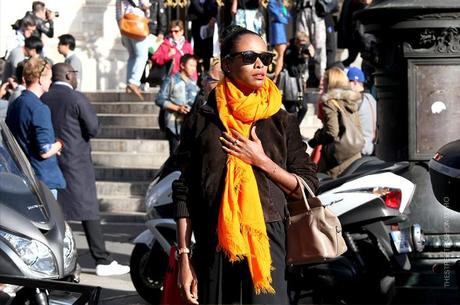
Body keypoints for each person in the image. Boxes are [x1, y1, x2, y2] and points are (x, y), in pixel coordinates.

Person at [173, 26, 319, 304]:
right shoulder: (202, 119)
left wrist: (262, 161)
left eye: (265, 57)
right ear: (226, 64)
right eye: (250, 57)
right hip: (214, 243)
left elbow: (308, 185)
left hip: (268, 238)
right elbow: (184, 190)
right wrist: (183, 255)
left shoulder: (280, 119)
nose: (261, 64)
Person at [41, 63, 130, 276]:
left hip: (53, 158)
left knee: (57, 211)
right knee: (88, 209)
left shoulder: (44, 97)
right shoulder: (75, 98)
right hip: (76, 159)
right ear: (69, 75)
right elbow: (94, 128)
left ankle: (57, 257)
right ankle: (102, 259)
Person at [5, 57, 65, 198]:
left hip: (20, 174)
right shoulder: (40, 108)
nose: (51, 81)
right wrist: (59, 144)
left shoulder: (16, 103)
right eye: (49, 78)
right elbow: (44, 150)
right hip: (41, 178)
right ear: (40, 79)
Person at [308, 66, 362, 178]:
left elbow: (332, 131)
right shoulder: (351, 100)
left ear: (331, 83)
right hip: (354, 154)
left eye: (325, 83)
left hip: (337, 158)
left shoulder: (330, 102)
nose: (322, 86)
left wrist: (317, 138)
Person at [155, 54, 199, 155]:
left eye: (195, 66)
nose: (193, 69)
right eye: (191, 65)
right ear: (182, 65)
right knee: (175, 156)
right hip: (173, 124)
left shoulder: (194, 84)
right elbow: (159, 99)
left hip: (189, 126)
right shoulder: (171, 80)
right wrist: (177, 108)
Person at [115, 0, 151, 100]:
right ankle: (134, 82)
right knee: (142, 55)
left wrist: (121, 31)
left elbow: (118, 15)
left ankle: (129, 82)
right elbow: (145, 4)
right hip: (137, 24)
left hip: (125, 26)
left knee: (132, 55)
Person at [283, 31, 315, 123]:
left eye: (304, 44)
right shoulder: (290, 51)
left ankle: (295, 130)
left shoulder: (305, 53)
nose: (302, 46)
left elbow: (307, 68)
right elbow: (293, 71)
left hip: (300, 86)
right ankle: (292, 132)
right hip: (290, 86)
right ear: (296, 42)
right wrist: (298, 56)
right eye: (301, 44)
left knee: (304, 108)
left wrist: (309, 55)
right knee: (292, 111)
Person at [295, 0, 327, 85]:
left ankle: (322, 78)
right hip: (302, 10)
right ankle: (303, 78)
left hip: (316, 13)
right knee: (303, 45)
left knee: (319, 47)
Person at [347, 66, 376, 155]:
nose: (346, 86)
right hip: (372, 146)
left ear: (355, 82)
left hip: (361, 149)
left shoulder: (357, 100)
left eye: (348, 82)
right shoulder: (371, 98)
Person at [267, 0, 290, 83]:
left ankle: (277, 77)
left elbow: (287, 15)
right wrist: (283, 17)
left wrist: (283, 11)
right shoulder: (271, 2)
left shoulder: (281, 3)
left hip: (282, 29)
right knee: (280, 54)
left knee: (281, 54)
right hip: (277, 29)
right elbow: (278, 16)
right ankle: (276, 78)